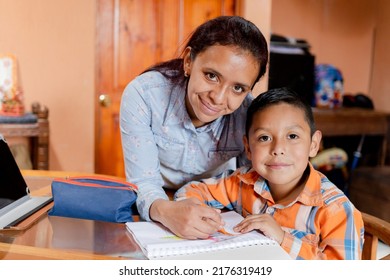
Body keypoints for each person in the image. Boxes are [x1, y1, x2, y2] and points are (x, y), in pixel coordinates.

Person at [120, 16, 269, 239]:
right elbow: (143, 182)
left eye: (238, 88)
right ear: (189, 61)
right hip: (158, 200)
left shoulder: (250, 114)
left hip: (217, 208)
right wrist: (166, 211)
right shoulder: (144, 95)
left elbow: (252, 181)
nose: (218, 98)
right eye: (211, 76)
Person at [174, 88, 364, 259]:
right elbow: (190, 191)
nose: (278, 149)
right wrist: (195, 212)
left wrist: (283, 239)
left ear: (313, 144)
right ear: (248, 148)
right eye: (264, 138)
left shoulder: (337, 211)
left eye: (292, 136)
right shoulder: (242, 182)